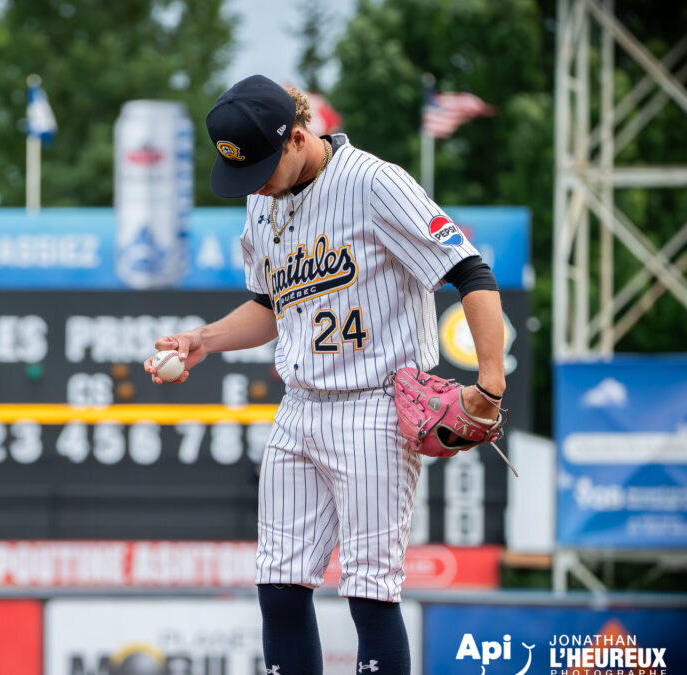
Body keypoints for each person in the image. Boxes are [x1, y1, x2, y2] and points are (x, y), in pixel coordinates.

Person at [143, 75, 506, 675]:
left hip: (374, 406)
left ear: (295, 137)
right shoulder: (263, 205)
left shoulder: (373, 182)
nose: (252, 182)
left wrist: (489, 385)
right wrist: (201, 339)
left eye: (261, 164)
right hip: (300, 405)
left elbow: (470, 271)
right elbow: (268, 306)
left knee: (369, 590)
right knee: (279, 584)